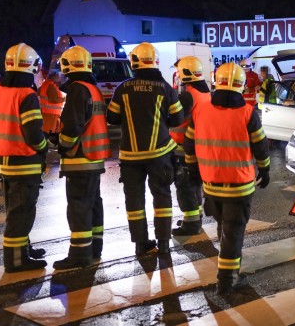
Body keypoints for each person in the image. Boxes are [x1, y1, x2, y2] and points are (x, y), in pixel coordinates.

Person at [183, 61, 270, 295]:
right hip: (239, 187)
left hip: (211, 186)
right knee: (233, 233)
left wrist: (192, 172)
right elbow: (260, 147)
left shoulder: (200, 111)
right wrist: (265, 169)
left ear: (216, 82)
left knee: (224, 229)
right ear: (241, 86)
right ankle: (227, 280)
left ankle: (228, 270)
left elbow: (189, 145)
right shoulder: (248, 113)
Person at [107, 42, 184, 256]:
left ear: (134, 63)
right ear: (156, 62)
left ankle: (141, 243)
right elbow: (178, 119)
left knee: (134, 200)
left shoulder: (122, 88)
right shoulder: (164, 88)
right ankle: (164, 242)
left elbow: (112, 118)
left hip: (130, 156)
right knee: (162, 196)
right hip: (159, 154)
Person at [0, 43, 48, 273]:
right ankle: (16, 261)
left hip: (3, 160)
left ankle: (23, 249)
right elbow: (33, 134)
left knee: (15, 210)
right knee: (22, 212)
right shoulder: (27, 94)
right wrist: (45, 148)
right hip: (24, 162)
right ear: (32, 66)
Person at [53, 46, 111, 269]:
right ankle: (94, 248)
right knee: (93, 203)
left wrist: (61, 144)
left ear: (66, 66)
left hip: (80, 157)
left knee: (78, 206)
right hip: (93, 158)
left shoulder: (77, 90)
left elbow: (72, 126)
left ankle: (79, 255)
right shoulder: (92, 88)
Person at [169, 56, 211, 236]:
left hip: (184, 146)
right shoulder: (205, 93)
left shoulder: (188, 95)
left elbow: (175, 117)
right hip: (200, 146)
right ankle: (195, 218)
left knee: (185, 185)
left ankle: (191, 224)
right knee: (194, 183)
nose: (177, 75)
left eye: (178, 72)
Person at [38, 71, 65, 145]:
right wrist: (64, 99)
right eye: (58, 77)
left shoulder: (46, 84)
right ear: (54, 77)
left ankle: (44, 144)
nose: (60, 79)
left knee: (46, 130)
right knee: (47, 131)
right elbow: (54, 99)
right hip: (51, 113)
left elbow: (38, 92)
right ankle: (44, 145)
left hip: (46, 112)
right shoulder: (51, 86)